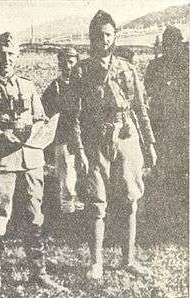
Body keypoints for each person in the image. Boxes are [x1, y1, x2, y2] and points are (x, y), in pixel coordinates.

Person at [70, 10, 157, 279]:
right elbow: (73, 116)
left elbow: (141, 110)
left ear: (115, 37)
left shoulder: (127, 68)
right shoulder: (81, 71)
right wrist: (80, 151)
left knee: (130, 199)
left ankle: (127, 259)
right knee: (97, 202)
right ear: (91, 38)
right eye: (98, 35)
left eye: (108, 35)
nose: (103, 40)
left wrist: (150, 144)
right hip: (96, 138)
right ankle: (96, 263)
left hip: (126, 137)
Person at [0, 32, 49, 298]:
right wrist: (0, 136)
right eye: (1, 54)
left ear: (17, 57)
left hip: (30, 162)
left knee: (34, 217)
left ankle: (38, 272)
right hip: (1, 164)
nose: (6, 59)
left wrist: (39, 130)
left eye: (11, 54)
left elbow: (40, 117)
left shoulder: (28, 87)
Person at [144, 26, 189, 241]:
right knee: (164, 172)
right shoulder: (155, 65)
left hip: (184, 127)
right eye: (167, 44)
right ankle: (164, 217)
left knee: (182, 172)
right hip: (163, 126)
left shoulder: (186, 65)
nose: (170, 48)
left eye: (174, 43)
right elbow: (149, 91)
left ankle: (181, 217)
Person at [41, 48, 84, 219]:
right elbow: (45, 111)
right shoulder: (55, 87)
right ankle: (68, 218)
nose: (68, 65)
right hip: (64, 137)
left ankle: (83, 215)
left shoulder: (82, 84)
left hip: (82, 137)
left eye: (72, 61)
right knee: (66, 178)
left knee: (84, 174)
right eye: (65, 61)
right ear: (60, 63)